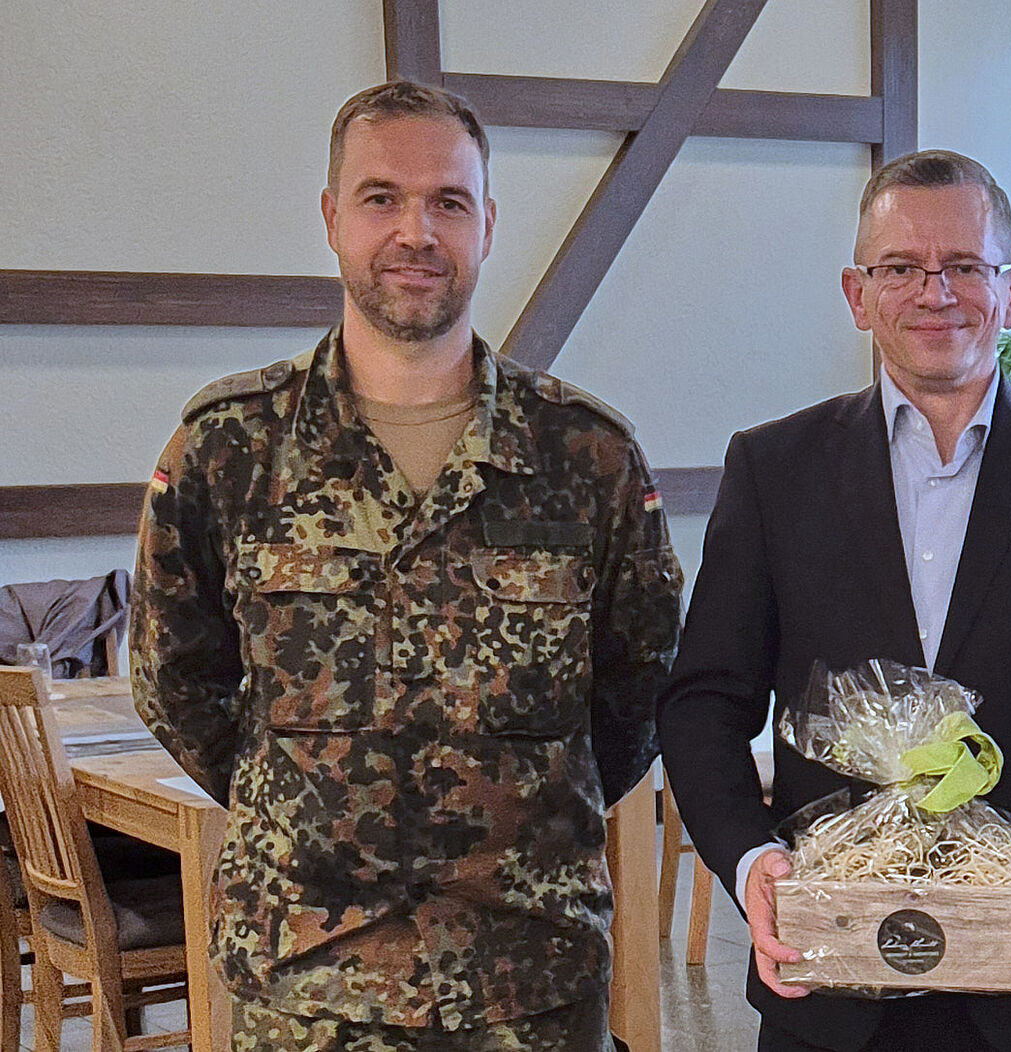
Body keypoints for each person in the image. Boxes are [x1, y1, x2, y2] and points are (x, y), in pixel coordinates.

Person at [130, 80, 681, 1051]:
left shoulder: (585, 456)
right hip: (307, 984)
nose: (416, 232)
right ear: (332, 217)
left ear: (488, 225)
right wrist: (303, 803)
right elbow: (174, 679)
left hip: (528, 980)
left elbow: (637, 689)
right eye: (381, 197)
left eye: (449, 202)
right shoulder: (230, 447)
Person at [658, 149, 1011, 1052]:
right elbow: (704, 703)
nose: (934, 292)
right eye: (901, 268)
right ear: (857, 294)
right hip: (824, 979)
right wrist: (752, 858)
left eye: (964, 266)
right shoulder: (774, 469)